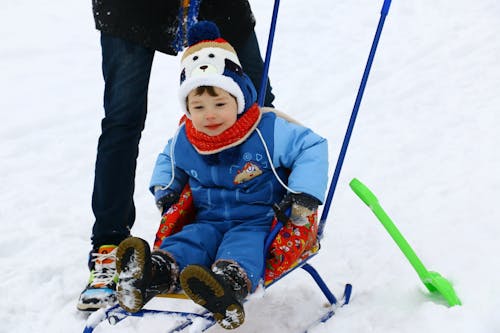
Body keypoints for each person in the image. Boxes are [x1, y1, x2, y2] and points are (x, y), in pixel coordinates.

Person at [114, 21, 328, 329]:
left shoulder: (266, 129)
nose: (209, 114)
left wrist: (304, 192)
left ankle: (226, 286)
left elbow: (312, 146)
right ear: (187, 108)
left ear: (239, 99)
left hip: (257, 220)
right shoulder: (186, 138)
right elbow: (168, 160)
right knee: (187, 242)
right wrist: (166, 188)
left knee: (242, 249)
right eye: (198, 106)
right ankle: (152, 274)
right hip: (208, 219)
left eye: (219, 103)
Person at [77, 0, 275, 311]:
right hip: (130, 10)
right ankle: (109, 246)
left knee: (255, 104)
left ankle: (263, 222)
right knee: (122, 119)